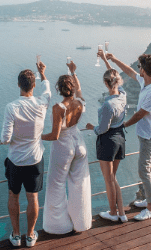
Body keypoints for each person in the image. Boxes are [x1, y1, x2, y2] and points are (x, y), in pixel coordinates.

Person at [105, 52, 151, 221]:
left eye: (140, 67)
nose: (138, 70)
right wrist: (114, 59)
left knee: (143, 169)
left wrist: (121, 125)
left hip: (150, 137)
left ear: (144, 70)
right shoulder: (147, 83)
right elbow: (129, 72)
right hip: (149, 134)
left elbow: (139, 115)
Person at [0, 61, 50, 247]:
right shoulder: (42, 103)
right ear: (33, 85)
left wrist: (15, 137)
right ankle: (30, 236)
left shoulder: (11, 107)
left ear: (19, 85)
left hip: (15, 161)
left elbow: (5, 138)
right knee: (33, 198)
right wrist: (43, 73)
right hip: (35, 159)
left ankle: (15, 235)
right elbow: (48, 91)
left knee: (14, 196)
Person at [41, 61, 92, 234]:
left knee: (56, 185)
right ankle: (81, 223)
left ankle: (59, 227)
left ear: (59, 89)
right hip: (79, 144)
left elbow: (54, 135)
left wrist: (37, 136)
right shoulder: (79, 103)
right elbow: (79, 90)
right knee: (80, 184)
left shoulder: (58, 108)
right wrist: (73, 72)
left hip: (63, 147)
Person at [86, 50, 128, 223]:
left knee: (108, 179)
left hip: (108, 141)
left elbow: (102, 129)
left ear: (105, 83)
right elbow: (114, 78)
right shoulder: (123, 95)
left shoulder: (107, 105)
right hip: (121, 139)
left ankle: (113, 213)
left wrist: (92, 128)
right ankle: (122, 213)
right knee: (113, 178)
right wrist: (105, 60)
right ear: (117, 82)